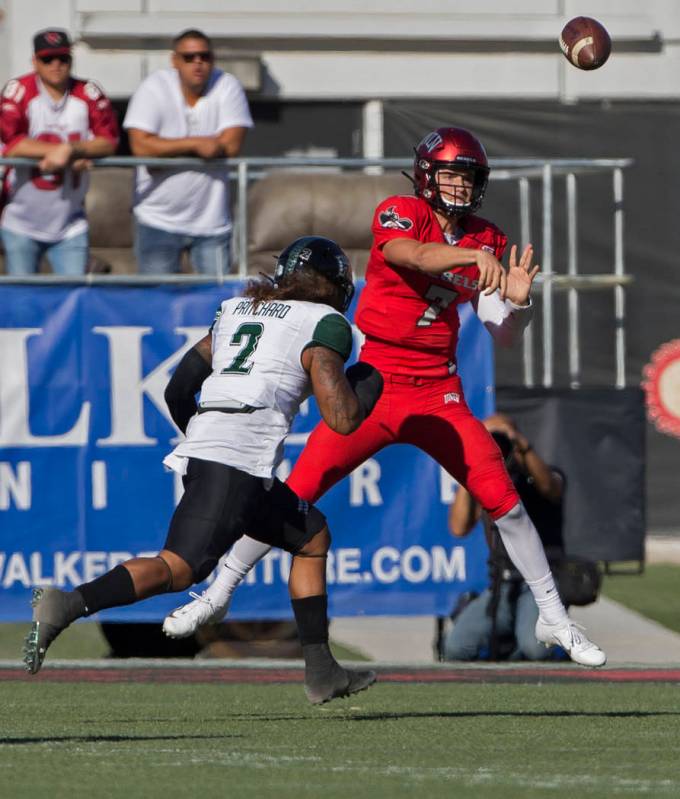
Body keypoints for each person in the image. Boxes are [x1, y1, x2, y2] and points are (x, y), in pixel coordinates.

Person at [164, 127, 606, 668]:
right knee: (295, 489)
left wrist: (516, 302)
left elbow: (500, 329)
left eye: (468, 177)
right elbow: (411, 253)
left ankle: (554, 617)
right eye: (449, 174)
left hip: (437, 389)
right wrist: (467, 258)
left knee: (504, 497)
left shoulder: (485, 238)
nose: (460, 187)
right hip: (375, 381)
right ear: (425, 176)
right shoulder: (402, 212)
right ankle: (216, 593)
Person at [23, 235, 382, 705]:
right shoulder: (324, 322)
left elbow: (178, 389)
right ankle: (67, 604)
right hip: (236, 460)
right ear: (335, 287)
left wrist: (206, 436)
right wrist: (368, 383)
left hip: (220, 455)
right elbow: (342, 419)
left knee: (311, 536)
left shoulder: (236, 310)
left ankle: (322, 671)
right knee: (180, 567)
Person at [123, 28, 253, 276]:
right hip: (156, 218)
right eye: (189, 57)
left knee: (219, 306)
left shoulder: (227, 85)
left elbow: (231, 146)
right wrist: (196, 144)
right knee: (158, 303)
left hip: (212, 223)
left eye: (205, 57)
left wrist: (163, 150)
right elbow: (141, 148)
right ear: (175, 61)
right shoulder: (153, 87)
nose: (198, 63)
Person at [443, 414, 566, 661]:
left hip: (539, 584)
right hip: (501, 582)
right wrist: (473, 464)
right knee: (456, 647)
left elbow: (551, 488)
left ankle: (563, 649)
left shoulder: (538, 476)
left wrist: (520, 444)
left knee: (534, 648)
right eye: (489, 441)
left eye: (500, 441)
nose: (496, 448)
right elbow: (458, 528)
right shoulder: (485, 484)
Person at [0, 28, 119, 275]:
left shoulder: (87, 93)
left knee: (72, 299)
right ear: (35, 61)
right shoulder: (19, 91)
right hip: (21, 221)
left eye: (62, 58)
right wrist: (60, 154)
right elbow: (10, 143)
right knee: (24, 301)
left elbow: (109, 140)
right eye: (47, 59)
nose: (56, 65)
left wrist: (70, 149)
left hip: (70, 223)